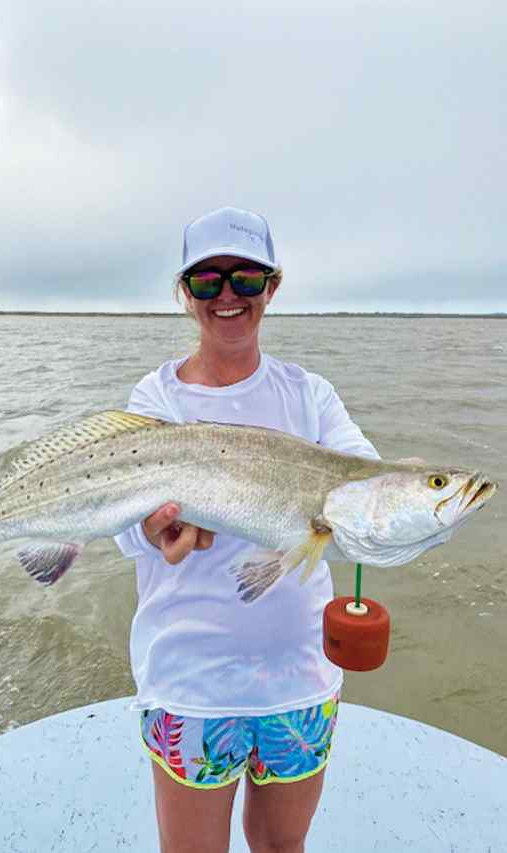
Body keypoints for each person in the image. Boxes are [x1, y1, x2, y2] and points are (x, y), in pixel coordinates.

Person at [114, 206, 379, 853]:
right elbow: (121, 523)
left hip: (299, 676)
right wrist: (154, 533)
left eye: (245, 278)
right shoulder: (156, 401)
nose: (227, 295)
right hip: (191, 682)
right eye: (207, 281)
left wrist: (425, 499)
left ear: (272, 286)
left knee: (281, 846)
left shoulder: (309, 396)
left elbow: (367, 491)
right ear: (184, 293)